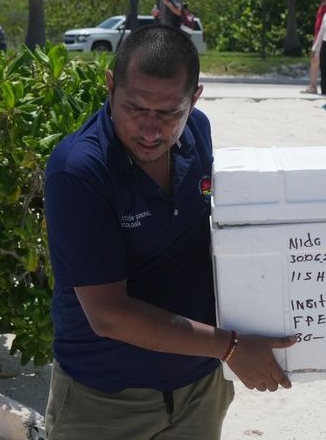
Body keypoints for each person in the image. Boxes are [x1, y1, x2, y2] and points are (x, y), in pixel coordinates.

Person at [43, 25, 295, 439]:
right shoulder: (79, 171)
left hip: (199, 390)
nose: (149, 129)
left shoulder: (198, 131)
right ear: (110, 86)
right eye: (135, 108)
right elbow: (108, 315)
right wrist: (231, 347)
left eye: (168, 113)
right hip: (105, 399)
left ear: (194, 98)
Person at [301, 0, 326, 95]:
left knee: (321, 62)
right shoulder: (322, 6)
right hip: (318, 39)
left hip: (325, 40)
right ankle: (313, 86)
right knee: (314, 62)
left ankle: (316, 87)